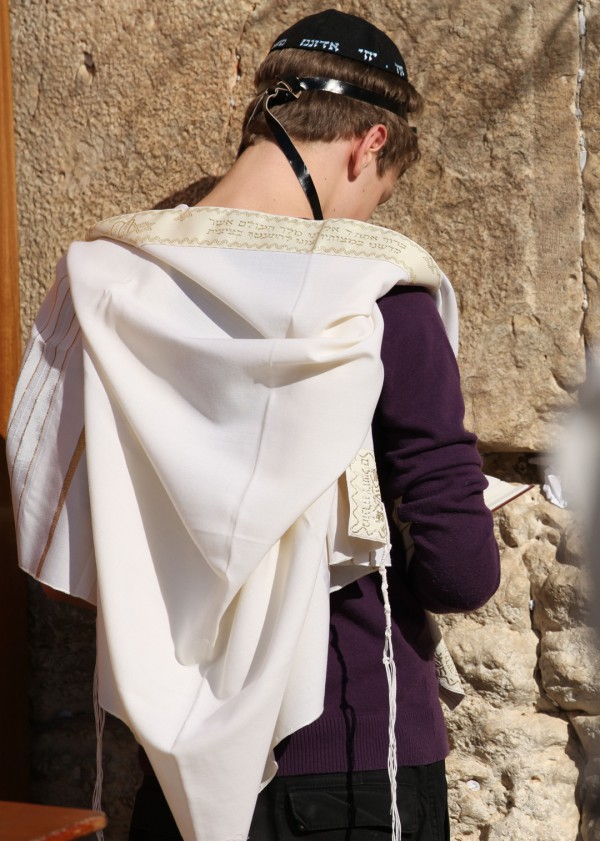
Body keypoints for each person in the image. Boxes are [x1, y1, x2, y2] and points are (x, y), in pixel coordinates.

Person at [7, 9, 500, 841]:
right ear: (368, 143)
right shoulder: (383, 301)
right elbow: (461, 572)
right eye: (376, 197)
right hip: (352, 752)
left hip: (174, 769)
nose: (366, 224)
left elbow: (53, 516)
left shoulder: (103, 281)